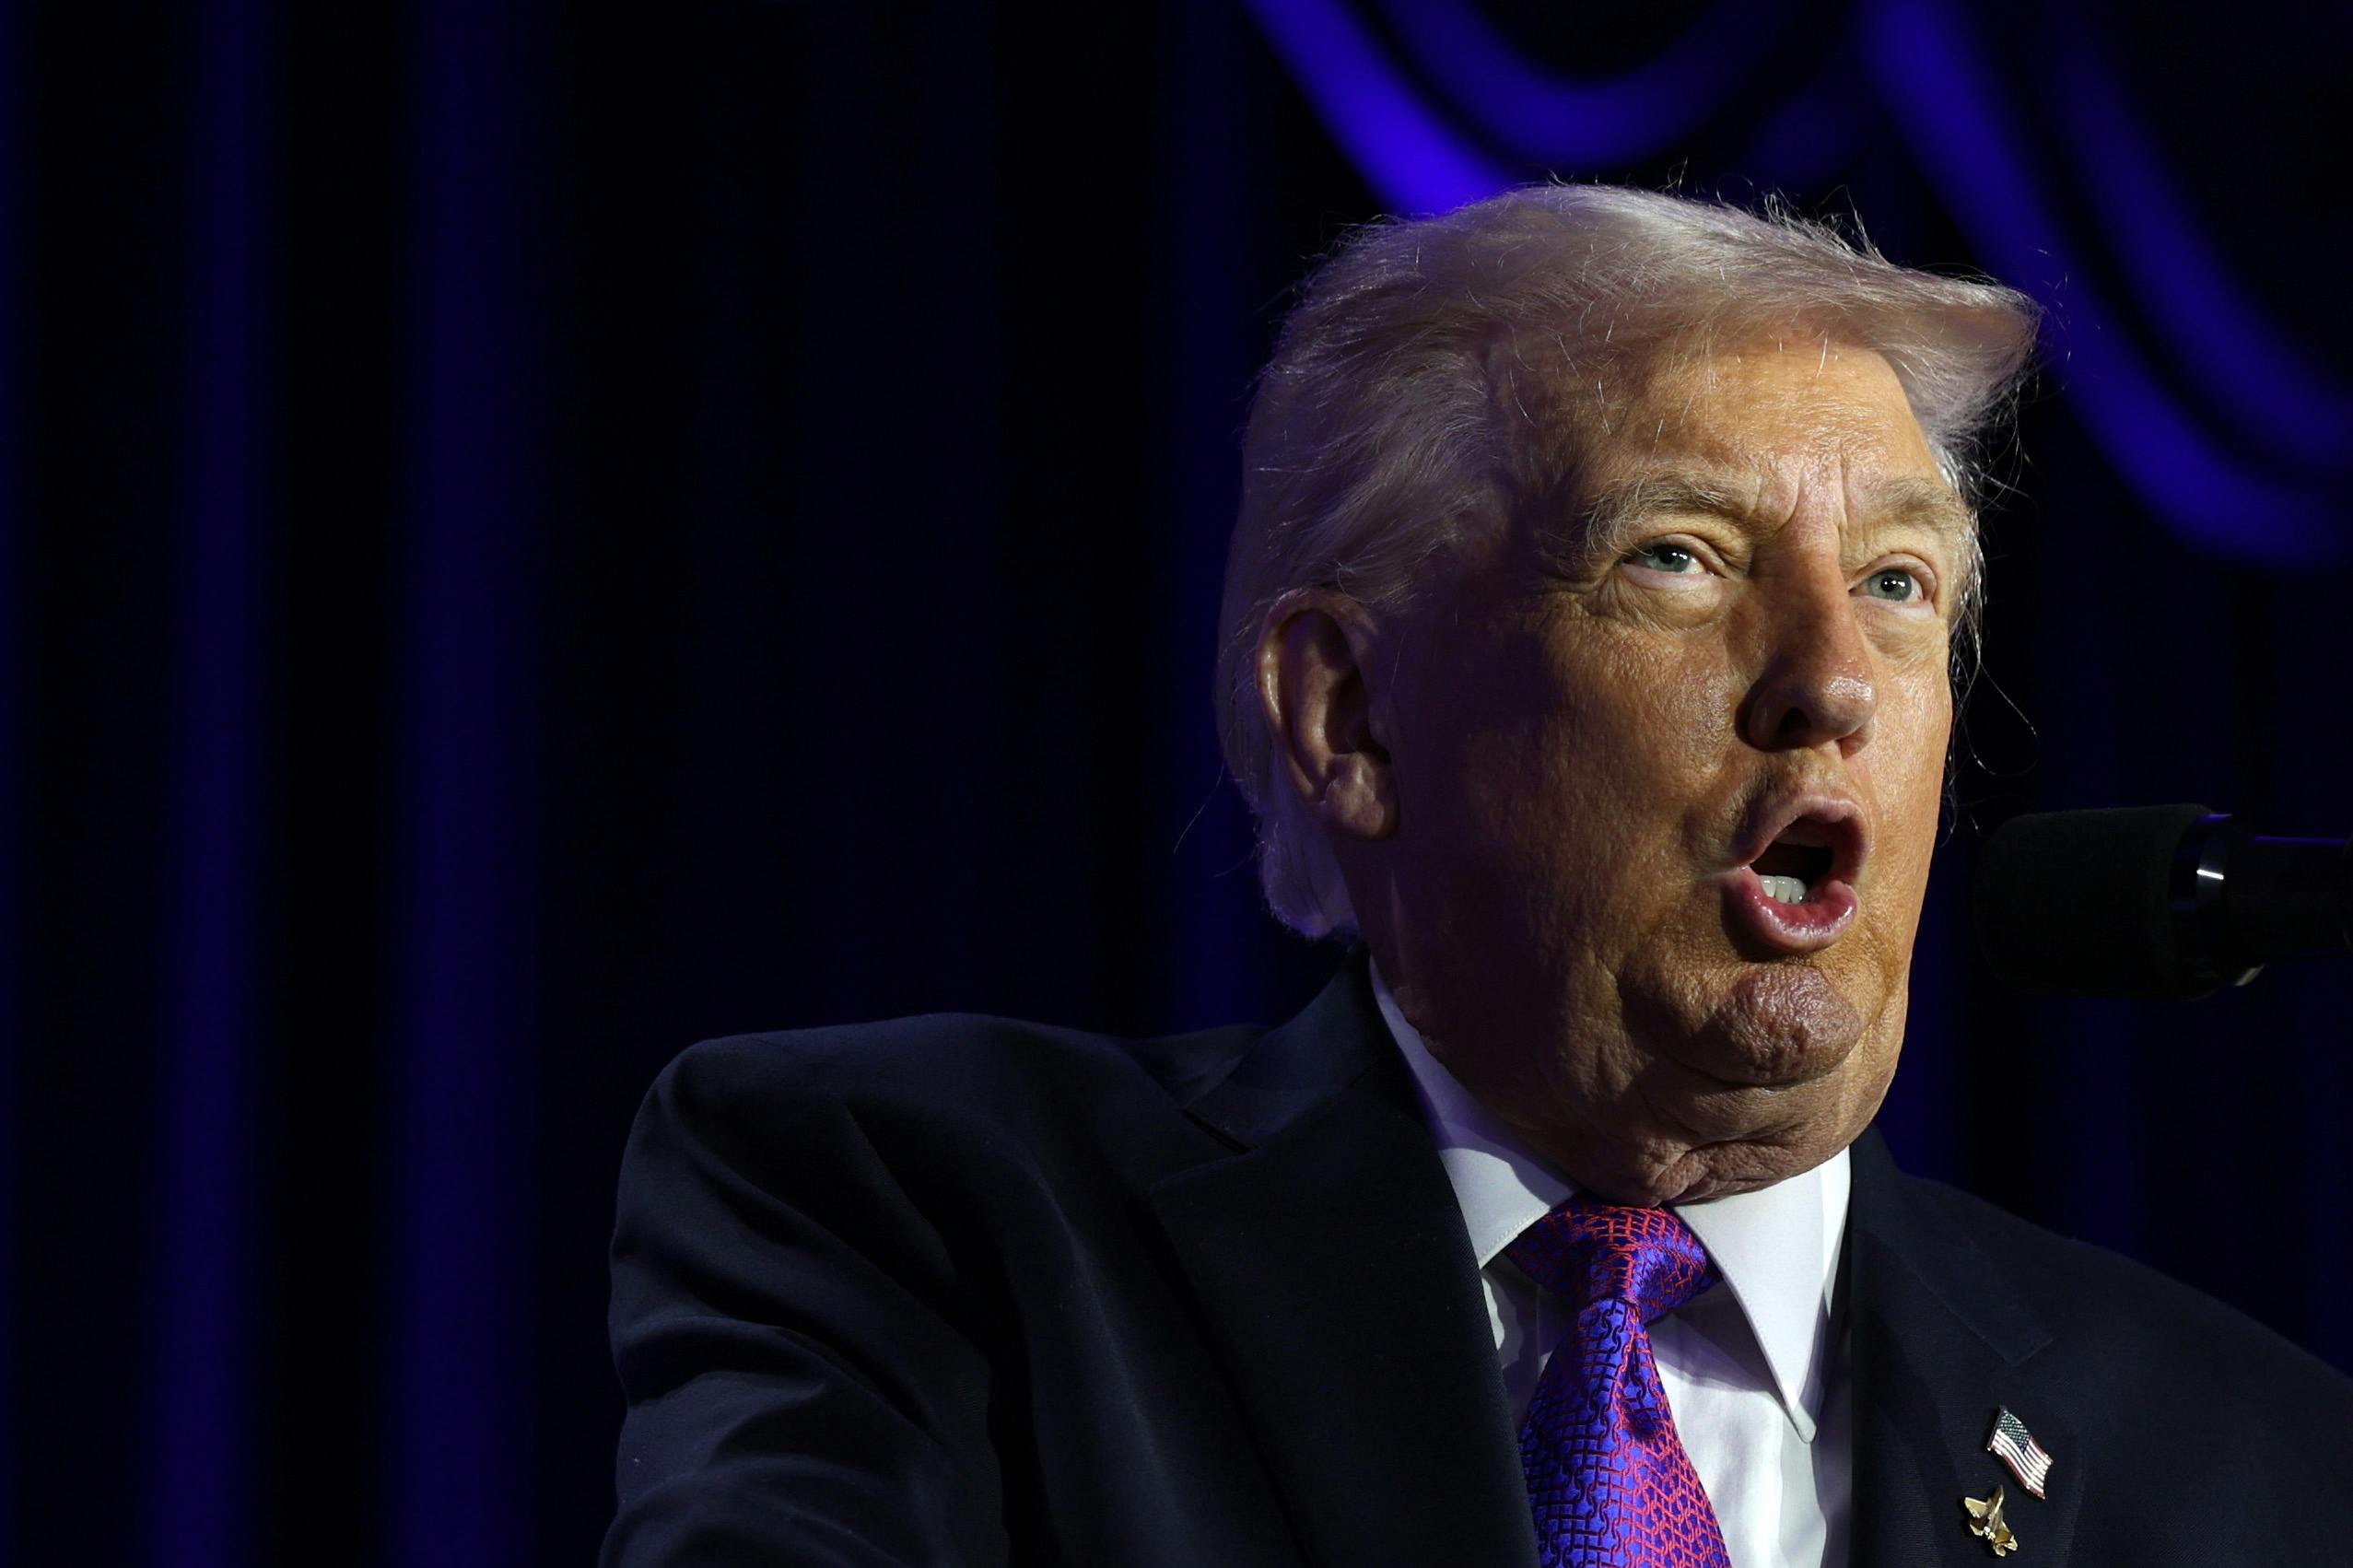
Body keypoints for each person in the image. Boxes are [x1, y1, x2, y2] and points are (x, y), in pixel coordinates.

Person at [601, 186, 2353, 1566]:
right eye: (1676, 557)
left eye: (1899, 581)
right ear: (1348, 712)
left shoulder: (2258, 1466)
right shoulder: (929, 1219)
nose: (1830, 678)